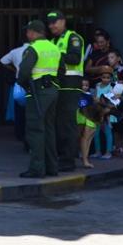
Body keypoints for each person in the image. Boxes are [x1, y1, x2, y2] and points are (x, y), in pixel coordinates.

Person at [18, 21, 60, 178]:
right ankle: (52, 167)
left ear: (35, 32)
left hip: (37, 92)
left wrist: (24, 85)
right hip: (52, 90)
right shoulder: (54, 48)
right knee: (49, 129)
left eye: (28, 32)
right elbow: (61, 70)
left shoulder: (33, 48)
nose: (27, 35)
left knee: (35, 130)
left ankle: (37, 168)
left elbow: (23, 72)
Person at [47, 12, 85, 172]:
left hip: (70, 85)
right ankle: (59, 157)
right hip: (57, 85)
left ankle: (68, 160)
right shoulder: (52, 41)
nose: (52, 26)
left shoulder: (73, 38)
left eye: (55, 22)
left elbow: (74, 58)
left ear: (63, 21)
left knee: (67, 124)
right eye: (49, 23)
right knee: (57, 124)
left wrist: (56, 55)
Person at [1, 38, 29, 149]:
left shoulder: (16, 51)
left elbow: (2, 61)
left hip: (19, 82)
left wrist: (14, 69)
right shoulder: (35, 49)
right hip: (32, 82)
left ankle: (19, 133)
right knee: (32, 110)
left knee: (19, 109)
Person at [94, 70, 119, 159]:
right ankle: (98, 151)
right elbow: (96, 97)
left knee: (108, 132)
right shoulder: (97, 86)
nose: (105, 79)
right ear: (101, 78)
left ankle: (108, 152)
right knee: (96, 132)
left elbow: (112, 101)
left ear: (110, 79)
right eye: (104, 77)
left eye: (108, 78)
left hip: (107, 113)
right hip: (99, 111)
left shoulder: (110, 88)